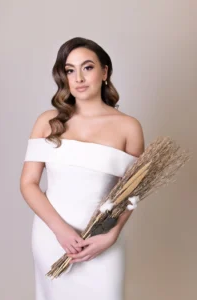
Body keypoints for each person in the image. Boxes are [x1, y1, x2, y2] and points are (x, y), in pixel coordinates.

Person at [20, 37, 144, 300]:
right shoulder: (48, 121)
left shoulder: (128, 127)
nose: (78, 77)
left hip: (101, 240)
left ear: (105, 72)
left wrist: (111, 235)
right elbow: (28, 183)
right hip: (51, 237)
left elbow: (134, 192)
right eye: (70, 70)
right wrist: (59, 230)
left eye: (87, 67)